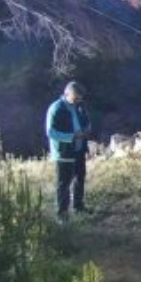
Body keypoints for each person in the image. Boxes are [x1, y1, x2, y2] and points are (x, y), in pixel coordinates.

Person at [45, 81, 92, 221]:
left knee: (80, 178)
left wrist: (87, 129)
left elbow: (85, 120)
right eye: (75, 97)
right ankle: (62, 215)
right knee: (63, 183)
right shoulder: (56, 108)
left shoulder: (79, 106)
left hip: (79, 149)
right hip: (64, 152)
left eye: (80, 98)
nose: (78, 100)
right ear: (66, 94)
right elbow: (51, 132)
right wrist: (72, 136)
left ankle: (78, 207)